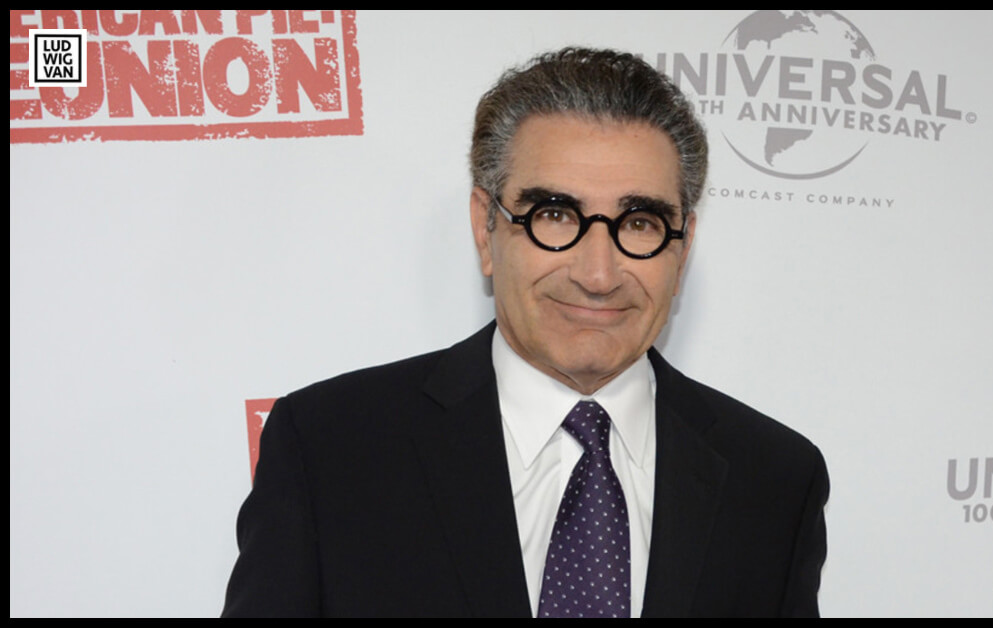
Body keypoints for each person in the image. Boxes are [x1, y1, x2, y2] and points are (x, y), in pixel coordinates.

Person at [222, 46, 829, 618]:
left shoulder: (775, 480)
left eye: (639, 223)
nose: (598, 274)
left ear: (683, 246)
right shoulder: (330, 447)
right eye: (555, 216)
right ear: (486, 229)